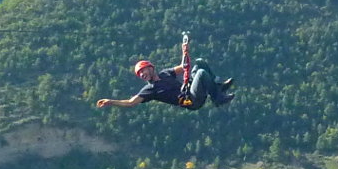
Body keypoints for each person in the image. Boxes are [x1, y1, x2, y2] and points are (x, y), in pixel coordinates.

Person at [96, 58, 234, 111]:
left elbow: (184, 66)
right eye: (140, 75)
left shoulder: (165, 73)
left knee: (200, 63)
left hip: (191, 90)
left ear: (150, 67)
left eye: (142, 71)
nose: (142, 75)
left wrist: (184, 48)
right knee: (202, 73)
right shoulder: (150, 90)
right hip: (190, 100)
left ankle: (218, 87)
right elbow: (131, 102)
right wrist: (111, 102)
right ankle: (218, 98)